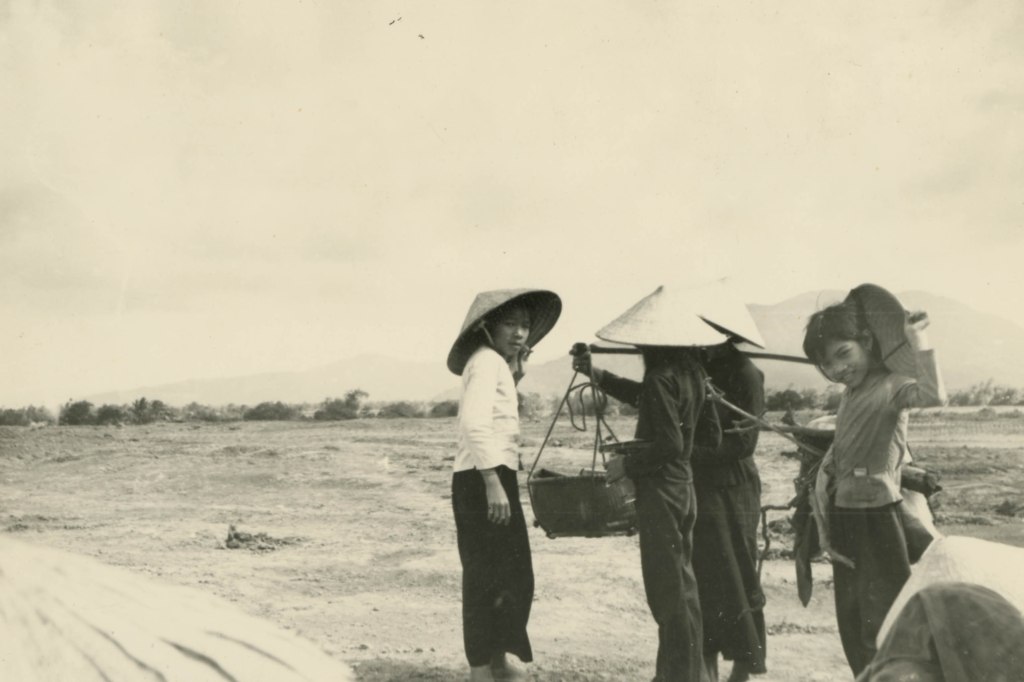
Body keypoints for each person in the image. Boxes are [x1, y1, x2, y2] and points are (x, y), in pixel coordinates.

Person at [573, 284, 726, 682]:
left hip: (661, 492)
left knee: (667, 592)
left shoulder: (662, 377)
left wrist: (628, 464)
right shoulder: (692, 373)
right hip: (684, 488)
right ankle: (682, 673)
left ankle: (681, 677)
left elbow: (670, 443)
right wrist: (598, 374)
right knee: (683, 586)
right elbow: (656, 405)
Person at [802, 283, 947, 677]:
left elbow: (934, 397)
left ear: (866, 340)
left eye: (843, 354)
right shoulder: (850, 393)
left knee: (885, 617)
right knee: (851, 616)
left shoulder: (892, 386)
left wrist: (920, 341)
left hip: (880, 517)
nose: (837, 369)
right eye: (827, 364)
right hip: (845, 515)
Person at [446, 288, 562, 682]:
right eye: (510, 324)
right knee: (483, 576)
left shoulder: (497, 365)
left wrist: (515, 375)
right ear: (487, 327)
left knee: (509, 574)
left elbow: (495, 416)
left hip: (494, 475)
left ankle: (497, 659)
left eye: (525, 326)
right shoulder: (484, 363)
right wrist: (492, 482)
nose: (519, 333)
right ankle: (481, 668)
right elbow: (474, 424)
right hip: (482, 479)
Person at [691, 341, 767, 682]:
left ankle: (742, 671)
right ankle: (706, 669)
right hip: (699, 486)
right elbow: (650, 395)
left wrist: (682, 453)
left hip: (733, 489)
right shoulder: (694, 366)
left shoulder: (746, 374)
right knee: (703, 579)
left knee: (737, 574)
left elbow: (743, 444)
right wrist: (600, 377)